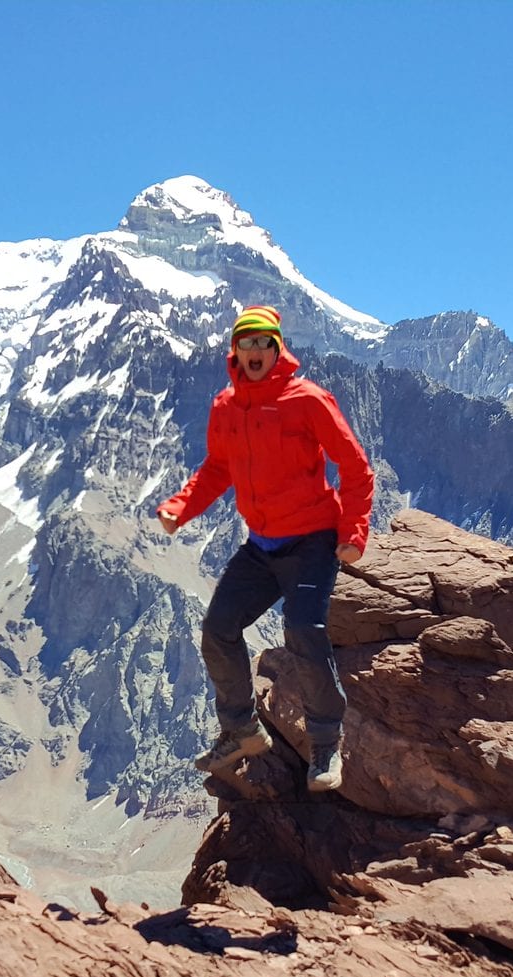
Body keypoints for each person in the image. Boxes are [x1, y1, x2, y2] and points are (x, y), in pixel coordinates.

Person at [156, 305, 375, 792]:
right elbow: (217, 469)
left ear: (278, 349)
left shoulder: (308, 399)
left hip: (312, 540)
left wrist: (353, 534)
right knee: (218, 630)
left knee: (303, 629)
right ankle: (242, 732)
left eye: (263, 342)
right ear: (234, 350)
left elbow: (356, 466)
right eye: (246, 342)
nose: (254, 351)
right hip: (262, 546)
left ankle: (325, 745)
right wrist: (179, 507)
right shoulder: (226, 406)